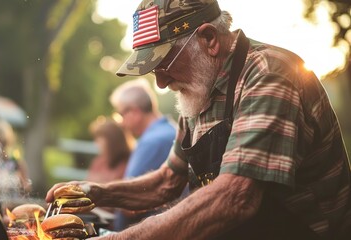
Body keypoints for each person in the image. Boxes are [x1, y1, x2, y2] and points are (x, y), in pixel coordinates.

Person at [46, 0, 351, 239]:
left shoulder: (270, 75)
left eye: (165, 63)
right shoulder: (198, 92)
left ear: (209, 39)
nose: (161, 84)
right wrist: (97, 192)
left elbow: (235, 197)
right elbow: (166, 182)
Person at [108, 78, 177, 231]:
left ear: (135, 111)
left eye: (120, 114)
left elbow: (127, 200)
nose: (121, 123)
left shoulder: (152, 142)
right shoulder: (171, 130)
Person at [0, 119, 32, 201]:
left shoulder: (16, 163)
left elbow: (27, 188)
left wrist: (21, 183)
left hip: (13, 206)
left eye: (2, 142)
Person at [86, 116, 132, 184]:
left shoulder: (129, 164)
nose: (96, 144)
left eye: (99, 140)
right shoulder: (98, 162)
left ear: (111, 141)